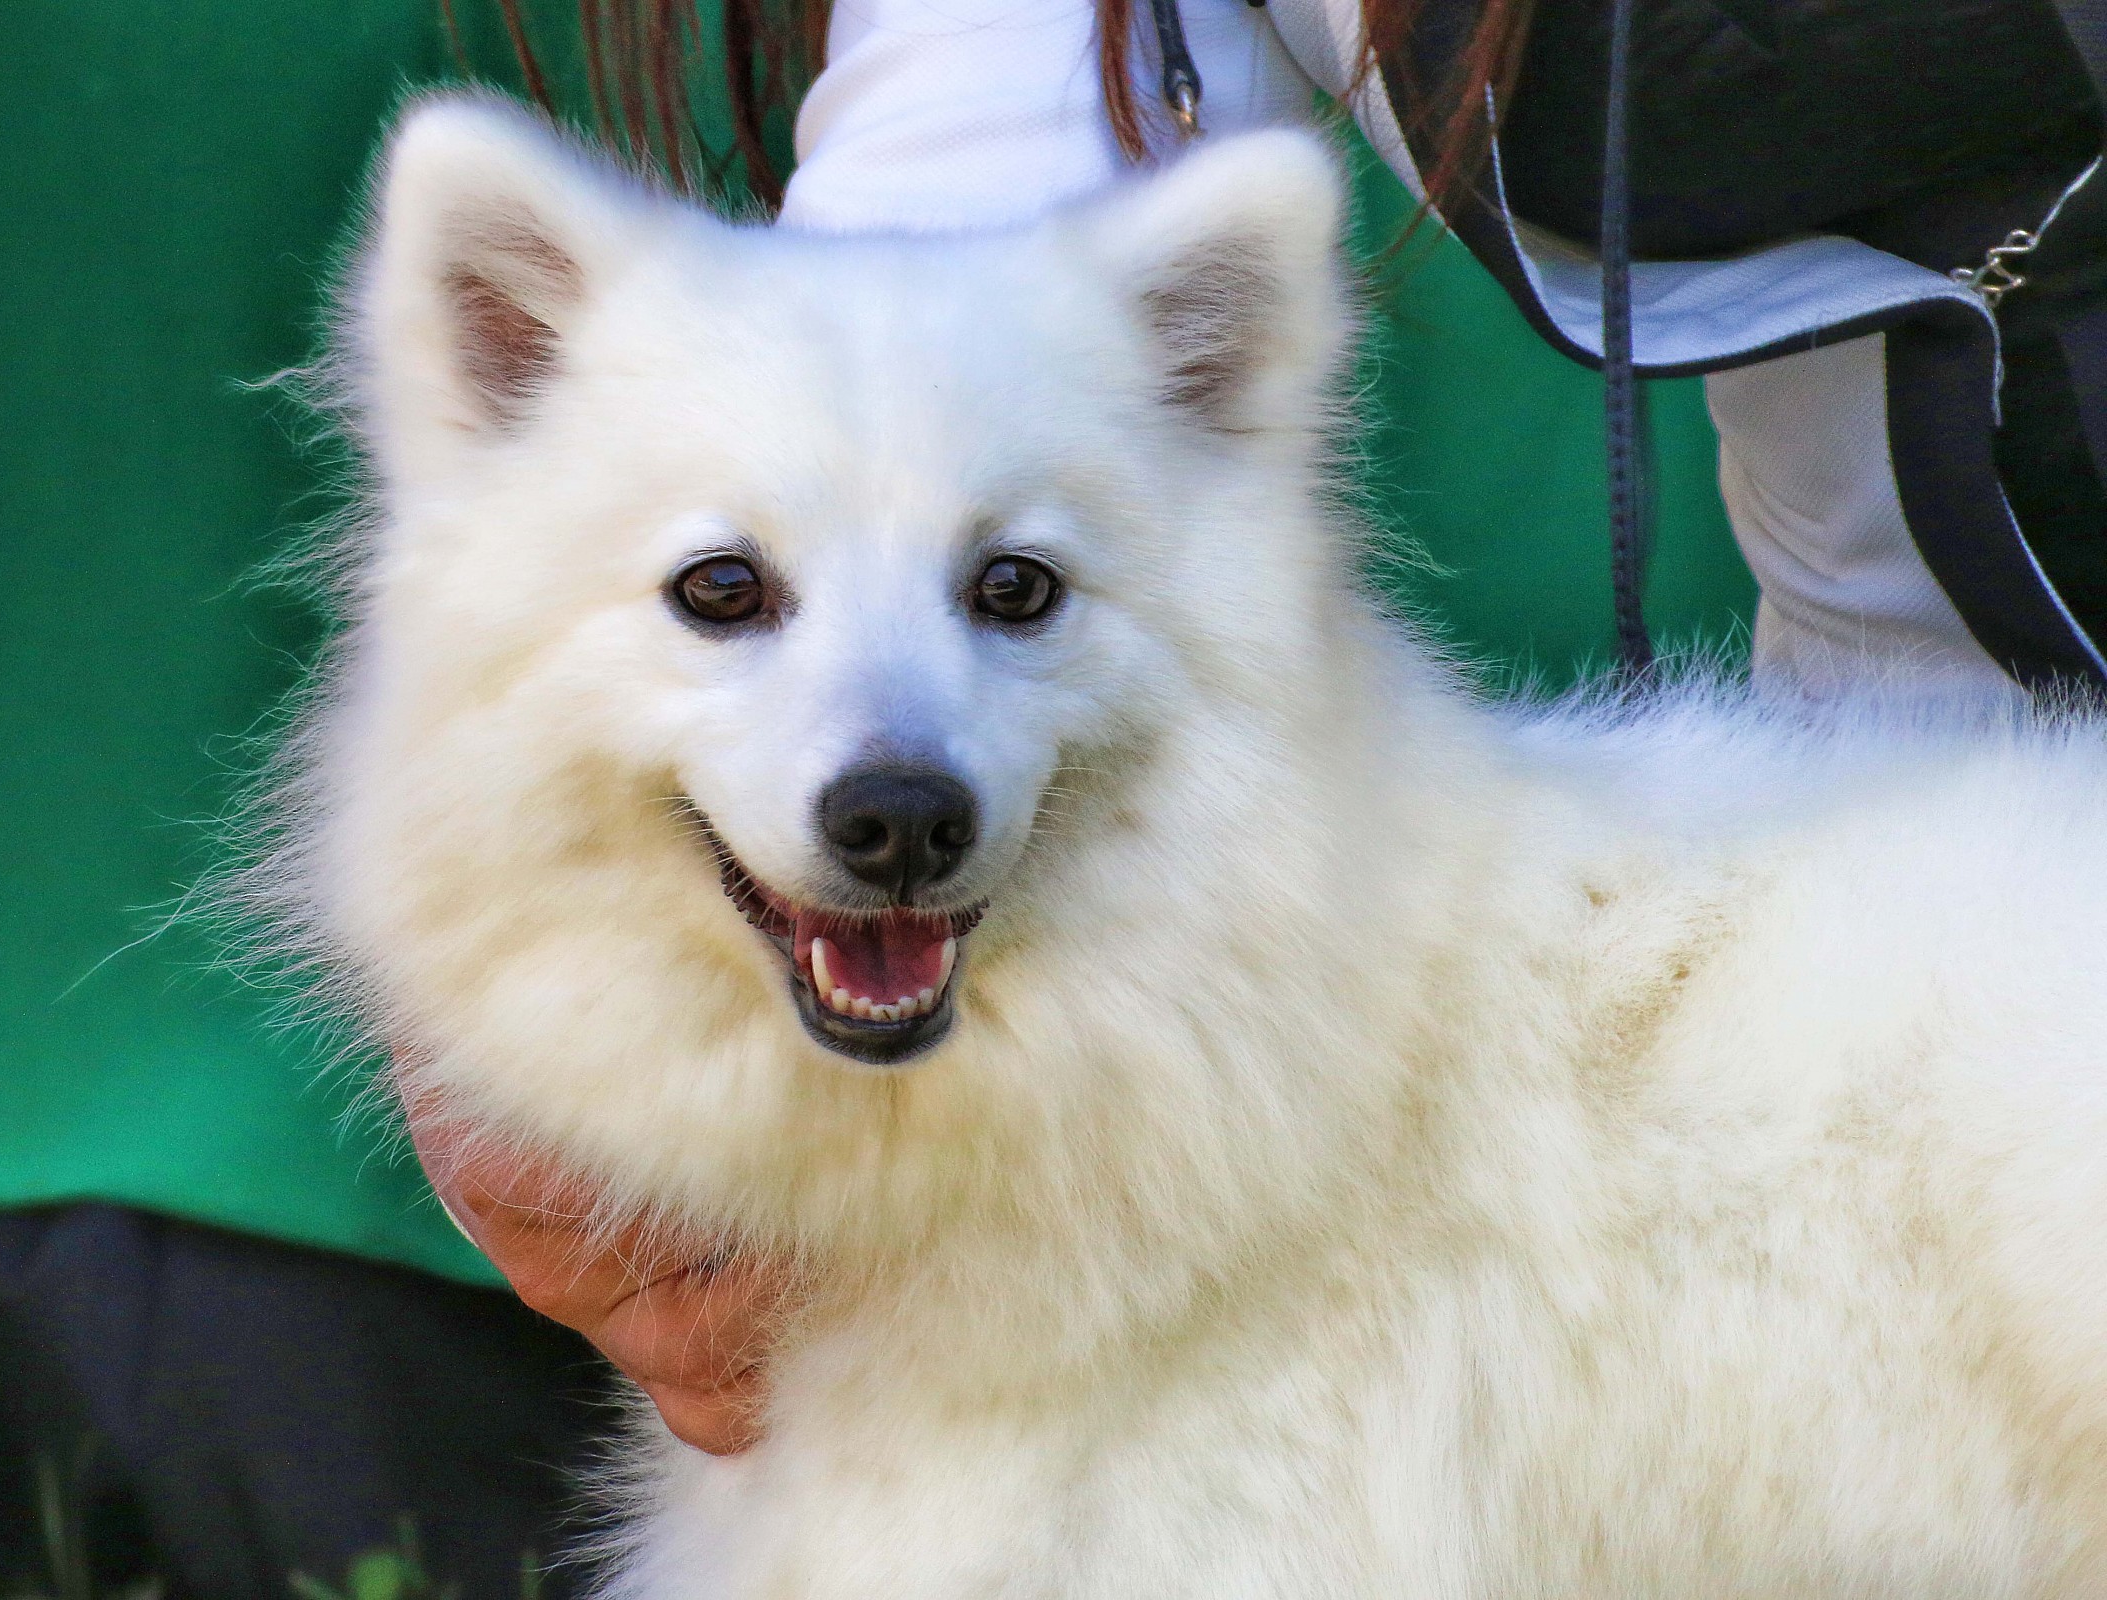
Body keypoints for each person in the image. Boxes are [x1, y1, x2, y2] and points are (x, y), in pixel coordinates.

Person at [418, 0, 2107, 1453]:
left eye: (1012, 599)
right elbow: (942, 305)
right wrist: (515, 979)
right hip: (1939, 798)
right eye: (727, 601)